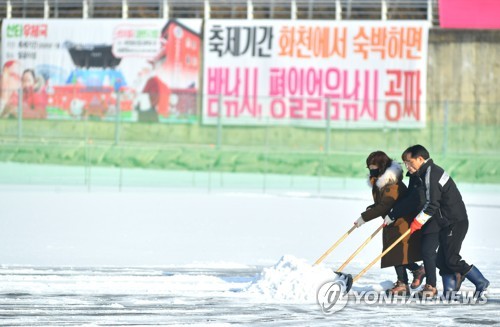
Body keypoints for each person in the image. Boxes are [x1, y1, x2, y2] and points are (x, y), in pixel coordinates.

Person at [396, 144, 490, 299]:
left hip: (455, 221)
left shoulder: (431, 174)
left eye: (409, 162)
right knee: (441, 260)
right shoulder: (426, 172)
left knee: (452, 259)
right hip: (445, 222)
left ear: (420, 159)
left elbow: (432, 204)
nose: (408, 166)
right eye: (405, 163)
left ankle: (480, 281)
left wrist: (417, 222)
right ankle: (450, 291)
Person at [354, 151, 425, 296]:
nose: (370, 170)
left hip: (402, 221)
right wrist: (372, 209)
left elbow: (385, 206)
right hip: (392, 221)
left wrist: (364, 218)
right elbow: (382, 203)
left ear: (381, 166)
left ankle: (403, 283)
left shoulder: (391, 183)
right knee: (395, 253)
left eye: (373, 166)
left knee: (395, 252)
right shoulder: (380, 181)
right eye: (369, 167)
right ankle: (414, 272)